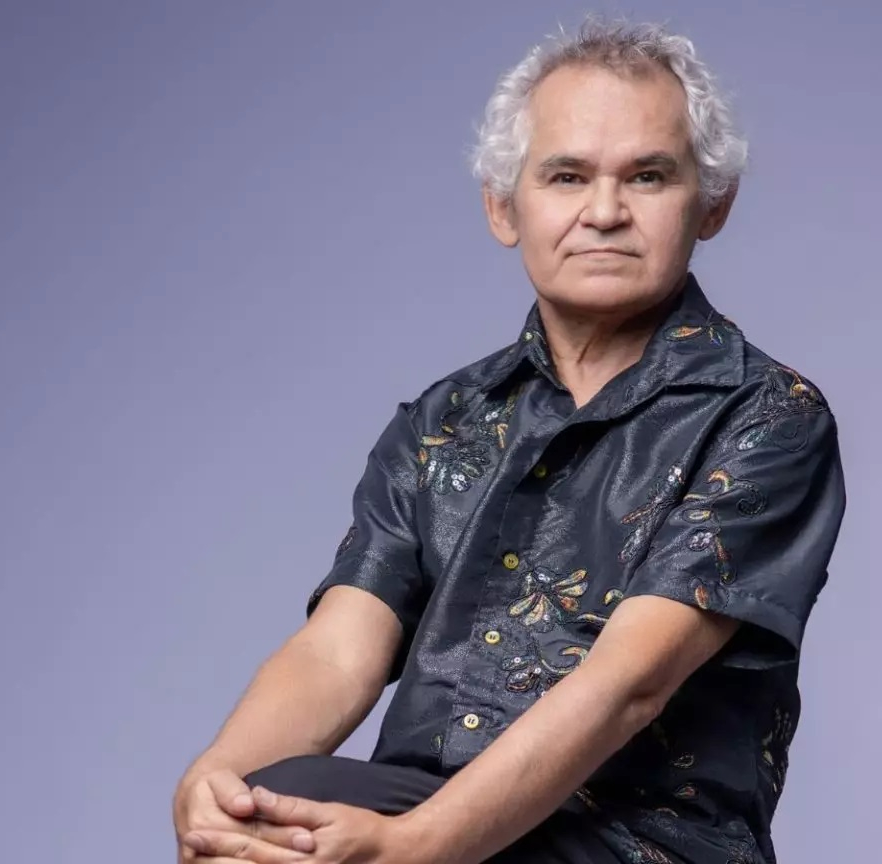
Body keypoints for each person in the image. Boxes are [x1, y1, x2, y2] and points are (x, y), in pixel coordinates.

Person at [172, 18, 846, 864]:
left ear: (713, 203)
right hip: (417, 806)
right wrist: (217, 780)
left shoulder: (767, 415)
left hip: (636, 839)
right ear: (503, 206)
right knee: (260, 816)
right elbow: (339, 649)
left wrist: (415, 849)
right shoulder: (442, 422)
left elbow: (629, 685)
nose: (605, 212)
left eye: (647, 176)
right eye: (567, 176)